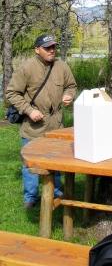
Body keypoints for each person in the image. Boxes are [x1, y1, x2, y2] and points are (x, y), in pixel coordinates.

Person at [6, 34, 77, 208]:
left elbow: (71, 85)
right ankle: (30, 197)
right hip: (33, 127)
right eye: (47, 48)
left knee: (57, 162)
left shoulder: (62, 66)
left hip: (57, 127)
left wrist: (69, 95)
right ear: (37, 50)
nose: (52, 50)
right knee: (30, 163)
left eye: (53, 47)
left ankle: (56, 192)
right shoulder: (26, 68)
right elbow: (11, 93)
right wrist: (29, 111)